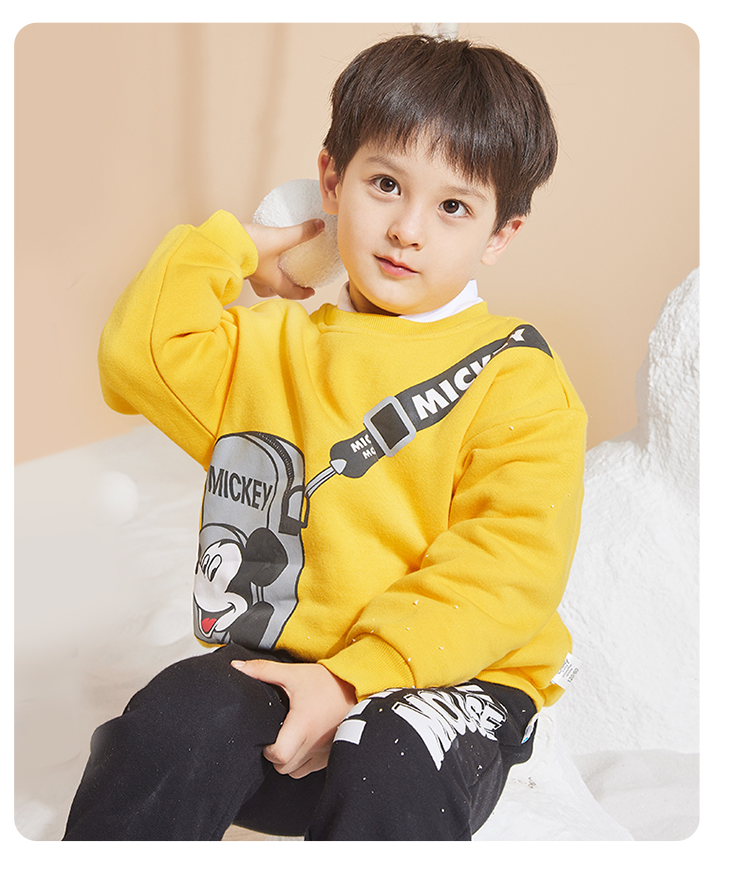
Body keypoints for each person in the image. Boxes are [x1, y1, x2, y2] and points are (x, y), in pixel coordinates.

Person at [63, 33, 587, 841]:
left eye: (453, 207)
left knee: (391, 752)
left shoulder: (516, 376)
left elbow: (507, 567)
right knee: (172, 717)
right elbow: (140, 353)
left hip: (448, 676)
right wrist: (239, 247)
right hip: (289, 675)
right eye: (386, 184)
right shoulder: (274, 347)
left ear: (500, 234)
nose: (408, 229)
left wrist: (351, 681)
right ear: (333, 182)